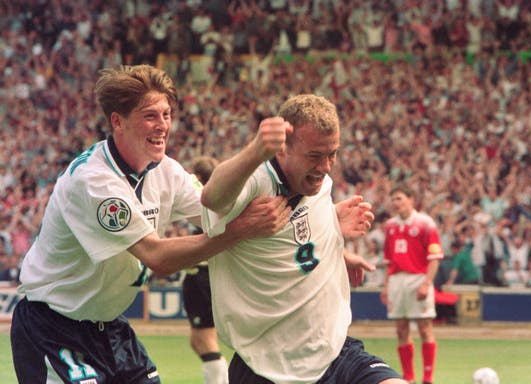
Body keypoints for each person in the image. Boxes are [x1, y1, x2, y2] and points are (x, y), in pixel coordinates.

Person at [10, 64, 290, 384]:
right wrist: (239, 231)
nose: (163, 126)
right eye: (150, 116)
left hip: (110, 327)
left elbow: (220, 213)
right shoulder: (93, 181)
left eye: (167, 114)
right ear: (118, 121)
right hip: (53, 328)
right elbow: (157, 256)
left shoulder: (166, 171)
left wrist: (324, 218)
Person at [200, 94, 405, 383]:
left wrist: (336, 240)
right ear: (282, 148)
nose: (325, 166)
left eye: (332, 154)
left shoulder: (319, 186)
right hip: (267, 366)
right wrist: (255, 150)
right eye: (314, 156)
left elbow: (295, 237)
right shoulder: (257, 181)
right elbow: (213, 197)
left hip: (336, 355)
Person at [381, 185, 444, 384]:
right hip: (397, 281)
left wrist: (427, 283)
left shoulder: (425, 223)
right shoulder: (390, 226)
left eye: (399, 198)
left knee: (425, 328)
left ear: (411, 199)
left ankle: (427, 378)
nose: (395, 203)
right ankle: (408, 377)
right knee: (401, 329)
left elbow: (434, 257)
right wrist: (386, 285)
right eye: (393, 199)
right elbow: (389, 260)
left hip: (418, 278)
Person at [182, 156, 228, 384]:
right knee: (199, 340)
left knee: (204, 339)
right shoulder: (221, 201)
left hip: (201, 276)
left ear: (198, 178)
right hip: (209, 275)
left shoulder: (201, 200)